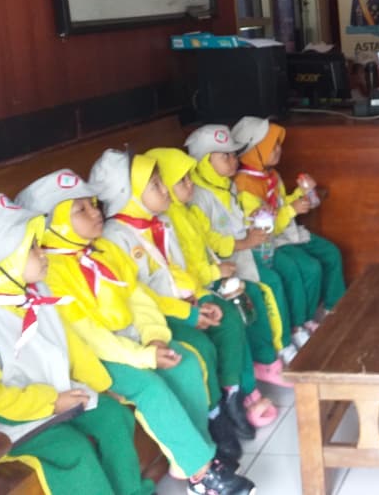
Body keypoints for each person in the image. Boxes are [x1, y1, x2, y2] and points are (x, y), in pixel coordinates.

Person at [15, 171, 256, 494]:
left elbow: (138, 296)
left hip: (130, 341)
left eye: (93, 204)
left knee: (183, 363)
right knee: (148, 386)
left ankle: (195, 455)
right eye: (81, 210)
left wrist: (154, 336)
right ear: (54, 223)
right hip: (95, 357)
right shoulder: (50, 273)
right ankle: (201, 475)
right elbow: (89, 336)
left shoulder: (103, 250)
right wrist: (143, 356)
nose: (95, 213)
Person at [0, 194, 154, 495]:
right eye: (32, 248)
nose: (42, 252)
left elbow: (71, 345)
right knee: (73, 451)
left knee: (114, 416)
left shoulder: (35, 292)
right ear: (3, 259)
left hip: (59, 397)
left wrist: (101, 386)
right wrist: (51, 402)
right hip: (10, 421)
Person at [89, 149, 257, 459]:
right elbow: (143, 295)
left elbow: (177, 270)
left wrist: (199, 296)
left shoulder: (161, 221)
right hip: (159, 315)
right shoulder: (115, 238)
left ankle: (232, 391)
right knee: (200, 349)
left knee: (229, 318)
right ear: (130, 195)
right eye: (155, 185)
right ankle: (213, 415)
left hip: (182, 301)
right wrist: (189, 312)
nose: (165, 189)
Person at [146, 147, 279, 429]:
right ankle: (242, 390)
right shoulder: (167, 222)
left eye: (190, 178)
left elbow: (212, 240)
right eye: (181, 180)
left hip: (205, 279)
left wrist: (238, 246)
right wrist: (215, 272)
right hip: (196, 286)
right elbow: (181, 269)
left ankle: (252, 374)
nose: (190, 185)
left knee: (249, 295)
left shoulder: (187, 211)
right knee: (234, 309)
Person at [184, 124, 296, 387]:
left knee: (277, 275)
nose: (234, 160)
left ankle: (279, 346)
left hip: (240, 254)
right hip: (224, 263)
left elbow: (235, 221)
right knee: (262, 289)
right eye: (225, 156)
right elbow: (209, 240)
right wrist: (244, 242)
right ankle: (270, 356)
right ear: (204, 162)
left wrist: (251, 223)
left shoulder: (226, 185)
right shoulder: (198, 197)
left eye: (234, 154)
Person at [232, 117, 346, 340]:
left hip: (287, 231)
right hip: (270, 242)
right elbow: (265, 228)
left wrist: (301, 194)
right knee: (309, 268)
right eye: (271, 145)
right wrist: (292, 209)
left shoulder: (271, 175)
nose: (278, 149)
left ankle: (333, 307)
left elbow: (281, 204)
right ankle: (300, 323)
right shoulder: (244, 185)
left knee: (331, 252)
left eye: (278, 144)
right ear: (254, 151)